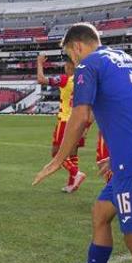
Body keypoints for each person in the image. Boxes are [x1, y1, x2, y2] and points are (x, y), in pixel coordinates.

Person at [33, 23, 132, 263]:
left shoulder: (88, 63)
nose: (71, 60)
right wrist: (117, 157)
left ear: (77, 46)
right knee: (100, 213)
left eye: (68, 54)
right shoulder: (127, 60)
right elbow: (130, 109)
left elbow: (81, 116)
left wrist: (58, 160)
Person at [37, 54, 90, 193]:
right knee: (73, 153)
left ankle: (76, 173)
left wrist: (39, 63)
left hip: (66, 120)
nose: (64, 68)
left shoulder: (65, 79)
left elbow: (41, 79)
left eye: (66, 66)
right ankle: (72, 184)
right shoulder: (83, 81)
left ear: (70, 67)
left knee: (56, 153)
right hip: (79, 121)